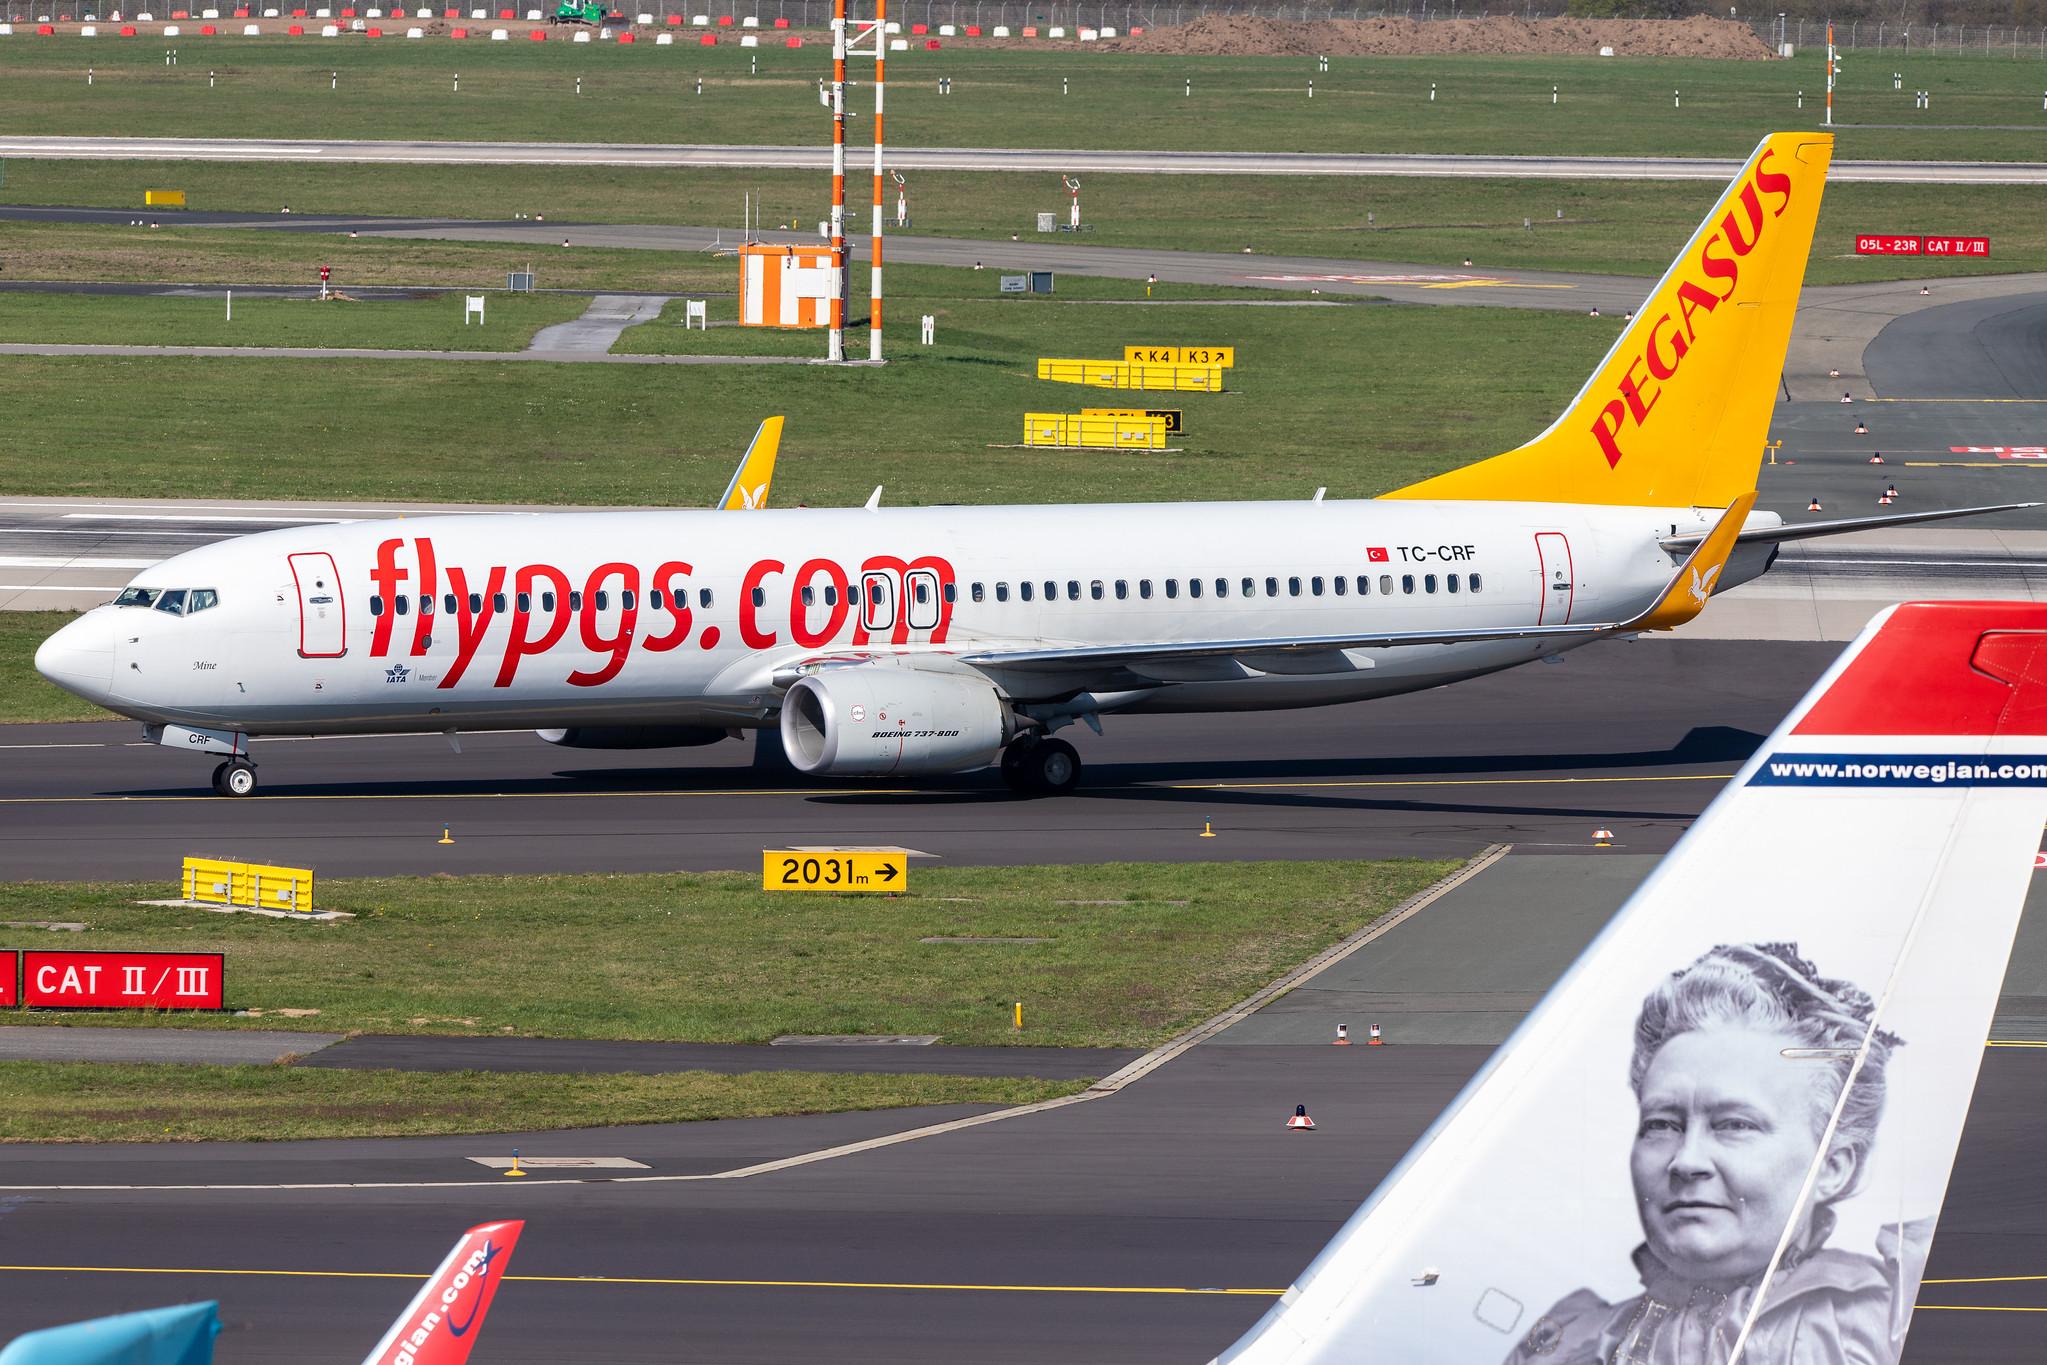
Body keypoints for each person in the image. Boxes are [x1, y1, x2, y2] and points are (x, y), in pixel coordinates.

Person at [1505, 942, 1917, 1365]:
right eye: (1661, 1124)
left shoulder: (1889, 1327)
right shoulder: (1570, 1347)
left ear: (1833, 1165)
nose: (1686, 1160)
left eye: (1735, 1124)